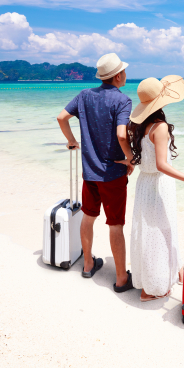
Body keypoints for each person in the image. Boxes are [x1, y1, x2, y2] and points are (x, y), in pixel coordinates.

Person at [57, 52, 136, 293]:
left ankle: (88, 264)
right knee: (115, 225)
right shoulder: (122, 101)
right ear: (118, 75)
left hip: (89, 172)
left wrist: (72, 141)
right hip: (112, 173)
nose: (125, 74)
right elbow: (122, 135)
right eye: (124, 71)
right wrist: (130, 158)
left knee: (89, 217)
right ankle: (121, 278)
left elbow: (61, 117)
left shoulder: (84, 95)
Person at [127, 76, 184, 301]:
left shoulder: (138, 125)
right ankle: (152, 288)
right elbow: (162, 164)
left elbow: (137, 151)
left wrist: (129, 163)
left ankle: (163, 275)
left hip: (145, 182)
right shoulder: (160, 126)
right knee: (161, 231)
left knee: (150, 231)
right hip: (158, 183)